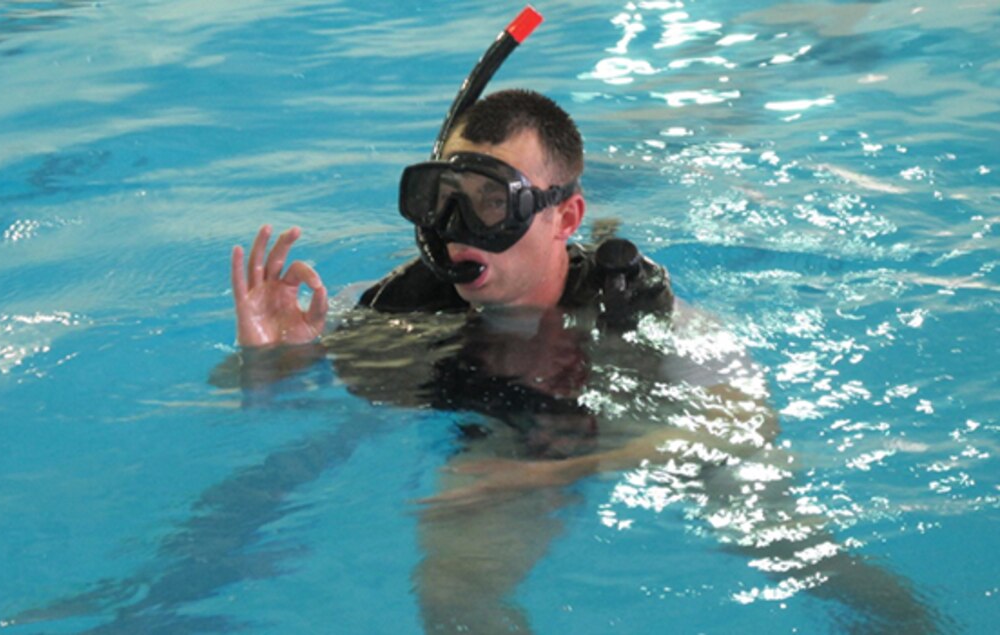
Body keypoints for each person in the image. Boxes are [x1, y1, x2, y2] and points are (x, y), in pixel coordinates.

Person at [227, 89, 942, 634]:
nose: (455, 236)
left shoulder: (649, 323)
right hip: (511, 428)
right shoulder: (402, 308)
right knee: (452, 595)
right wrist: (279, 360)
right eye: (443, 202)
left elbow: (737, 431)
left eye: (489, 206)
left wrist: (561, 470)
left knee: (795, 550)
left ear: (562, 220)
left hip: (626, 416)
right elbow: (274, 418)